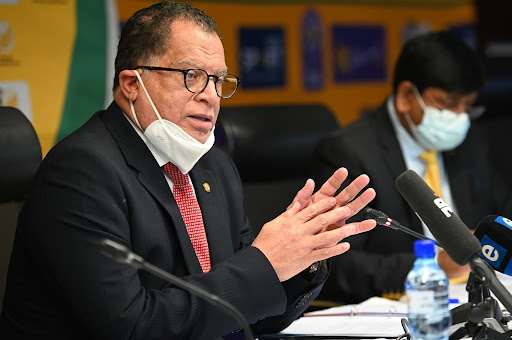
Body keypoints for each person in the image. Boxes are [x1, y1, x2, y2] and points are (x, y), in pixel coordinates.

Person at [0, 1, 377, 339]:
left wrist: (301, 256)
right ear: (132, 83)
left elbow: (248, 316)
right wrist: (264, 262)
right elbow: (133, 327)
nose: (211, 95)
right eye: (192, 76)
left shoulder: (214, 167)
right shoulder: (81, 171)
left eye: (218, 80)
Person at [310, 31, 512, 304]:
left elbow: (502, 211)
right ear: (407, 95)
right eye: (448, 104)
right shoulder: (348, 152)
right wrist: (434, 265)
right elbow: (337, 264)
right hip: (399, 306)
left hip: (475, 295)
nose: (460, 118)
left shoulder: (469, 139)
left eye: (468, 107)